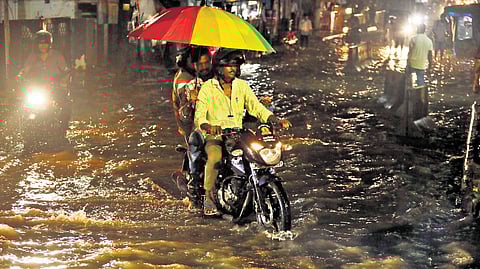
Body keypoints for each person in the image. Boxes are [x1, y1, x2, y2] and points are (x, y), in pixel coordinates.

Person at [194, 48, 292, 215]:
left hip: (238, 133)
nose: (233, 69)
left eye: (236, 65)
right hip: (215, 134)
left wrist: (274, 120)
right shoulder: (207, 88)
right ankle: (208, 198)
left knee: (257, 154)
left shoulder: (242, 86)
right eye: (229, 65)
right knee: (215, 157)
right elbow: (199, 116)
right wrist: (208, 126)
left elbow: (257, 108)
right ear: (219, 67)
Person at [18, 30, 71, 131]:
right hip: (38, 86)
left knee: (65, 103)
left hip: (55, 86)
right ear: (36, 45)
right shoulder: (32, 57)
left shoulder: (57, 55)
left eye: (45, 43)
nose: (43, 46)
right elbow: (25, 70)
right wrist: (20, 77)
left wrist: (63, 82)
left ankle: (64, 125)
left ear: (49, 44)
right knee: (24, 103)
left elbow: (66, 71)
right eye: (40, 43)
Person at [172, 46, 213, 141]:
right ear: (193, 63)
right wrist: (190, 101)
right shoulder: (184, 81)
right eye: (200, 64)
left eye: (206, 63)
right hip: (191, 126)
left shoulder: (211, 75)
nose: (204, 67)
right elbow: (184, 116)